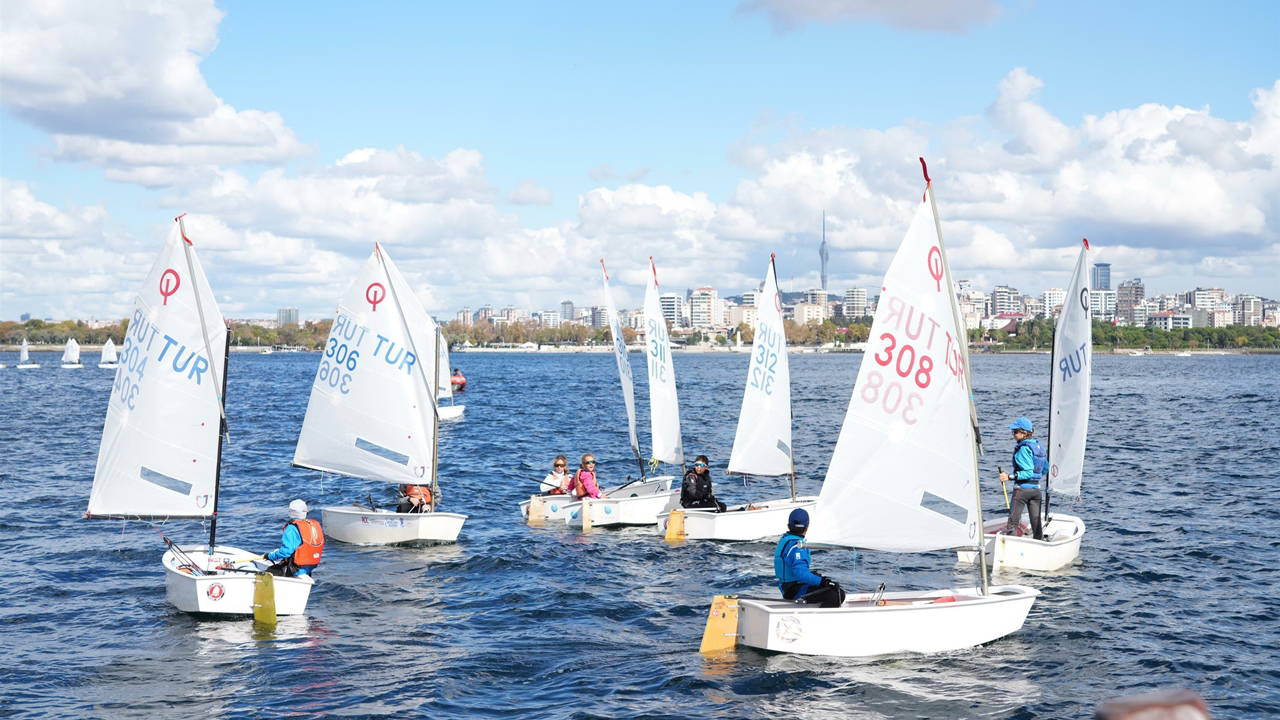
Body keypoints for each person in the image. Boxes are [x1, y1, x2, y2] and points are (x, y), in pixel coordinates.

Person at [773, 508, 844, 608]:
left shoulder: (784, 540)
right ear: (807, 527)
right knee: (837, 594)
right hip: (794, 591)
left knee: (822, 582)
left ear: (788, 526)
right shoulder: (798, 546)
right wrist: (823, 582)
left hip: (787, 588)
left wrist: (819, 579)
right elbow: (800, 573)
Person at [999, 417, 1047, 541]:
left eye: (1015, 431)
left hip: (1021, 491)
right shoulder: (1038, 447)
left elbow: (1027, 472)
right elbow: (1045, 468)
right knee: (1037, 525)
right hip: (1036, 491)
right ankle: (1039, 543)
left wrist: (1008, 477)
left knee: (1013, 524)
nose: (1013, 434)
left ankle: (1010, 548)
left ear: (1024, 433)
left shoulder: (1022, 449)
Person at [263, 499, 324, 577]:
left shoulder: (291, 528)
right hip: (310, 567)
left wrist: (269, 556)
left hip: (295, 568)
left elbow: (286, 552)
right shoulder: (313, 525)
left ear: (291, 512)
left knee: (266, 573)